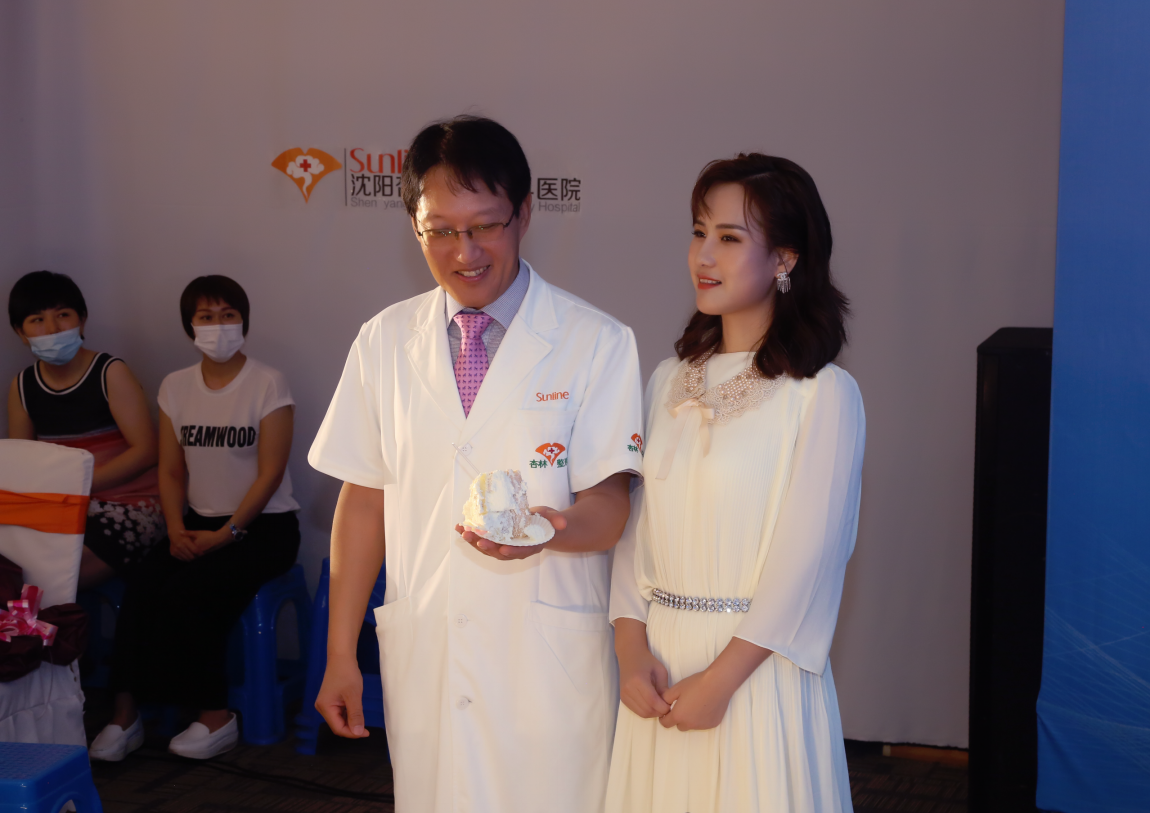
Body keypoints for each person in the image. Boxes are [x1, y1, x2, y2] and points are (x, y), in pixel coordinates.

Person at [308, 115, 644, 812]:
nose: (465, 252)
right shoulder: (383, 341)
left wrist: (550, 529)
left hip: (546, 662)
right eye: (441, 230)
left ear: (524, 213)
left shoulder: (595, 341)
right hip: (430, 652)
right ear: (414, 227)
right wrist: (340, 653)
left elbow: (611, 504)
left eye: (486, 226)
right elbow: (364, 500)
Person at [606, 154, 865, 813]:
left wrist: (721, 681)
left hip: (755, 673)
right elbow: (636, 530)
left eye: (729, 237)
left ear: (785, 258)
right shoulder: (667, 379)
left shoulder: (823, 394)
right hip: (659, 671)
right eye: (699, 232)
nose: (704, 255)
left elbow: (807, 561)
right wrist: (630, 650)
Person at [89, 275, 300, 762]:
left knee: (191, 591)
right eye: (206, 317)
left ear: (244, 321)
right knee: (142, 586)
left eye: (228, 315)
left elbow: (270, 474)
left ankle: (215, 716)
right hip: (194, 523)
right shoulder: (175, 386)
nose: (218, 326)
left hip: (263, 527)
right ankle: (125, 716)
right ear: (190, 327)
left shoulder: (268, 382)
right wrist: (175, 529)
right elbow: (170, 469)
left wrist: (227, 535)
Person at [7, 270, 163, 588]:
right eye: (37, 320)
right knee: (12, 560)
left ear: (82, 320)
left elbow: (147, 451)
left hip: (129, 503)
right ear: (21, 333)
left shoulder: (110, 372)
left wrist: (74, 487)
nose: (52, 328)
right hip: (60, 502)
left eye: (63, 315)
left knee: (53, 573)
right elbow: (21, 464)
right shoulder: (22, 386)